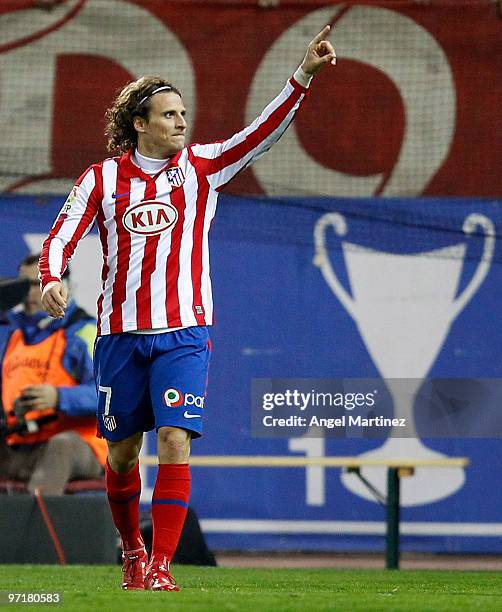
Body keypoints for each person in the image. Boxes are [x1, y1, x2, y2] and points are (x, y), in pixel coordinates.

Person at [39, 26, 336, 590]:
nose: (182, 122)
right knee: (123, 454)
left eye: (183, 113)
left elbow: (261, 134)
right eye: (170, 114)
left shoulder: (202, 168)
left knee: (175, 439)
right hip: (119, 335)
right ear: (140, 124)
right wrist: (53, 278)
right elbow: (61, 235)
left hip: (185, 330)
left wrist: (304, 75)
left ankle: (160, 565)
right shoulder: (102, 179)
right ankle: (131, 549)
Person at [0, 254, 106, 495]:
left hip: (79, 444)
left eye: (37, 285)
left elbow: (110, 395)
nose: (28, 295)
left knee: (60, 448)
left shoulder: (84, 333)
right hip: (24, 441)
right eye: (22, 286)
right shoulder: (16, 337)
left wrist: (59, 398)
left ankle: (39, 532)